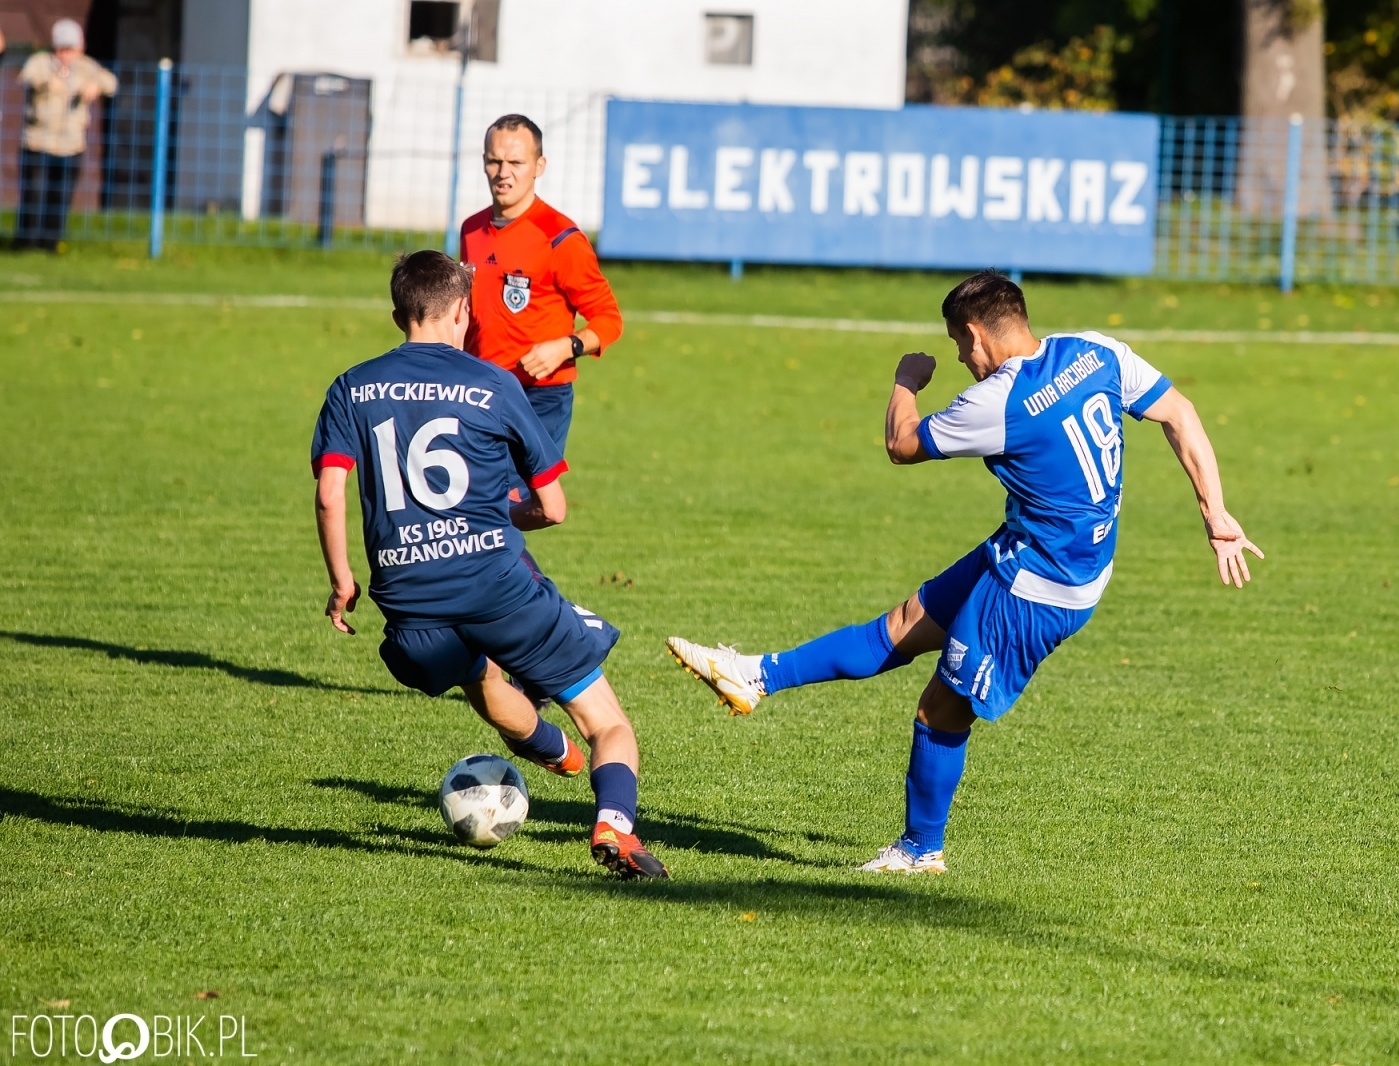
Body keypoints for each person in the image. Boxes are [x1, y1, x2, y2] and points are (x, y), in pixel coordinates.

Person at [667, 271, 1263, 874]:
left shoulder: (996, 401)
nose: (959, 358)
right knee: (903, 624)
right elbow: (1180, 414)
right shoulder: (1094, 351)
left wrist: (906, 382)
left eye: (958, 345)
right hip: (1036, 546)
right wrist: (1215, 513)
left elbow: (902, 444)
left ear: (977, 334)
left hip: (1039, 586)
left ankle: (919, 851)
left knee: (939, 711)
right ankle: (753, 677)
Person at [310, 250, 666, 879]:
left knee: (480, 678)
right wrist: (504, 517)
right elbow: (552, 508)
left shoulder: (351, 385)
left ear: (398, 314)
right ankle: (614, 825)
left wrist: (342, 580)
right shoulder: (492, 384)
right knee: (608, 722)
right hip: (498, 589)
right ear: (463, 312)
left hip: (410, 615)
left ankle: (554, 753)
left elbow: (331, 491)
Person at [459, 113, 623, 459]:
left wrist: (566, 346)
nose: (504, 173)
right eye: (494, 161)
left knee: (527, 506)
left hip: (539, 396)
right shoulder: (471, 230)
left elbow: (609, 320)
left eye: (516, 162)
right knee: (478, 503)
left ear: (539, 165)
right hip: (479, 389)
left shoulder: (560, 238)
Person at [15, 19, 117, 251]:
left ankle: (51, 245)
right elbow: (27, 76)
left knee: (60, 198)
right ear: (55, 47)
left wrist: (95, 86)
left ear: (80, 48)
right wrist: (49, 82)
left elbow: (111, 82)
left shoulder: (86, 67)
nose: (67, 54)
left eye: (72, 48)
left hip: (71, 145)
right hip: (38, 142)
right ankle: (26, 245)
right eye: (63, 48)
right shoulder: (41, 63)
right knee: (34, 195)